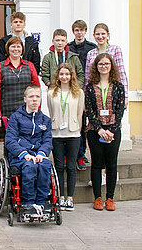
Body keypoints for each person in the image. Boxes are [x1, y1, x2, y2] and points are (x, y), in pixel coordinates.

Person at [85, 53, 125, 211]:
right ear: (96, 67)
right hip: (95, 131)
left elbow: (120, 110)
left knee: (112, 165)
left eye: (106, 64)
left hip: (113, 131)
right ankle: (97, 198)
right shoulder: (90, 87)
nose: (104, 67)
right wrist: (100, 129)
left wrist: (111, 131)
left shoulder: (118, 86)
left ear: (111, 66)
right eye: (100, 64)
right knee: (96, 164)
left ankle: (110, 198)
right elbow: (89, 110)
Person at [4, 84, 52, 215]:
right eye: (31, 97)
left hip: (38, 155)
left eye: (37, 96)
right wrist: (24, 154)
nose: (34, 99)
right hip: (20, 157)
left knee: (46, 165)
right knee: (29, 166)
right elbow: (10, 140)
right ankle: (28, 202)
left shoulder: (45, 120)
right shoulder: (16, 117)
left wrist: (42, 153)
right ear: (25, 99)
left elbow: (47, 141)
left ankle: (42, 202)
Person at [46, 63, 85, 211]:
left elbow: (80, 113)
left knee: (71, 166)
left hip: (73, 133)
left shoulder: (78, 93)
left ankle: (70, 198)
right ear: (58, 76)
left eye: (67, 74)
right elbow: (51, 111)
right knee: (59, 166)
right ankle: (60, 197)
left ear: (71, 76)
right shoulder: (51, 93)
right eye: (61, 74)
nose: (64, 77)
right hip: (56, 133)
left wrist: (78, 129)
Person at [0, 36, 40, 139]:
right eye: (13, 46)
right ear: (8, 49)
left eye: (18, 46)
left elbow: (37, 89)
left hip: (26, 109)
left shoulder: (30, 65)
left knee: (26, 138)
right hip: (7, 109)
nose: (16, 49)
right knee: (9, 140)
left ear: (22, 49)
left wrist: (37, 109)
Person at [68, 19, 96, 171]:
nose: (79, 33)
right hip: (72, 91)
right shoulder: (69, 48)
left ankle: (82, 152)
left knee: (84, 123)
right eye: (76, 30)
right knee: (74, 123)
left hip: (87, 90)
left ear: (85, 31)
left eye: (81, 30)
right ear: (73, 32)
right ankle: (75, 153)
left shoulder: (91, 48)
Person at [85, 23, 128, 106]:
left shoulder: (115, 49)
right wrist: (86, 95)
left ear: (107, 34)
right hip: (96, 91)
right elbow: (87, 76)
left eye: (103, 34)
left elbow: (121, 72)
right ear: (94, 35)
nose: (100, 37)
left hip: (112, 90)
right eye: (97, 34)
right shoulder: (90, 53)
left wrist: (125, 96)